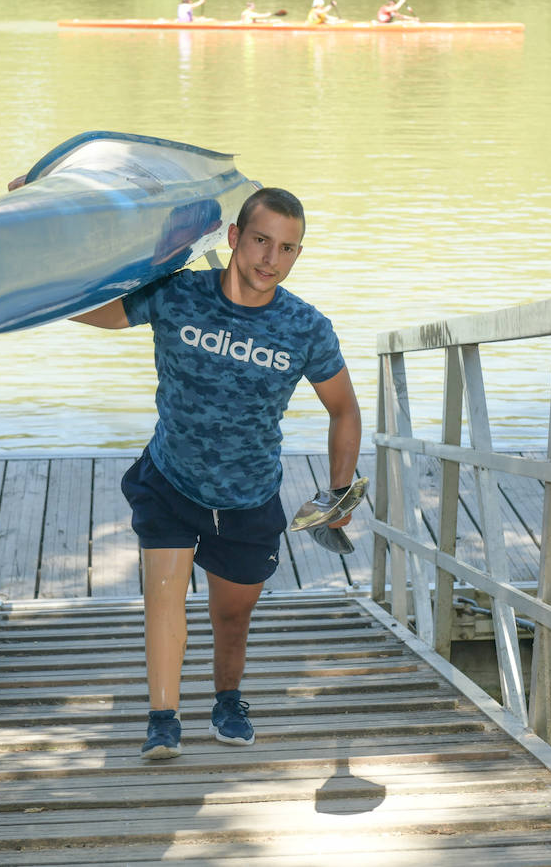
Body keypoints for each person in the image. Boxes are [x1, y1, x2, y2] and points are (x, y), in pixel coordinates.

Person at [71, 187, 362, 760]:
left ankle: (227, 697)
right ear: (234, 237)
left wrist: (340, 490)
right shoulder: (177, 293)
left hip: (249, 497)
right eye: (260, 240)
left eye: (287, 248)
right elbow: (85, 308)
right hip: (170, 479)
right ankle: (163, 717)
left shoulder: (306, 328)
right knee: (164, 595)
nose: (270, 259)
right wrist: (43, 220)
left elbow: (344, 409)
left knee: (232, 616)